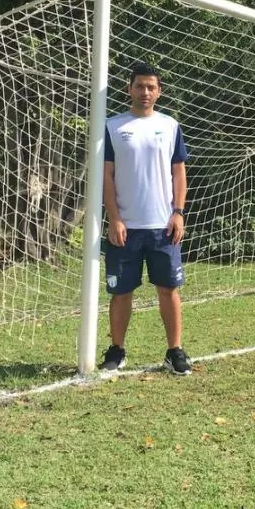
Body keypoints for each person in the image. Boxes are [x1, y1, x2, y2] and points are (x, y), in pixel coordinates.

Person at [99, 62, 192, 375]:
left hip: (163, 226)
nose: (145, 92)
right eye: (139, 86)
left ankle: (175, 352)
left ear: (159, 92)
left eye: (151, 87)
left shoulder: (169, 125)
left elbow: (179, 172)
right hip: (125, 226)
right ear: (129, 89)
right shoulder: (113, 126)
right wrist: (114, 218)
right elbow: (106, 176)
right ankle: (117, 350)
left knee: (168, 289)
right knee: (121, 292)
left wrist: (178, 212)